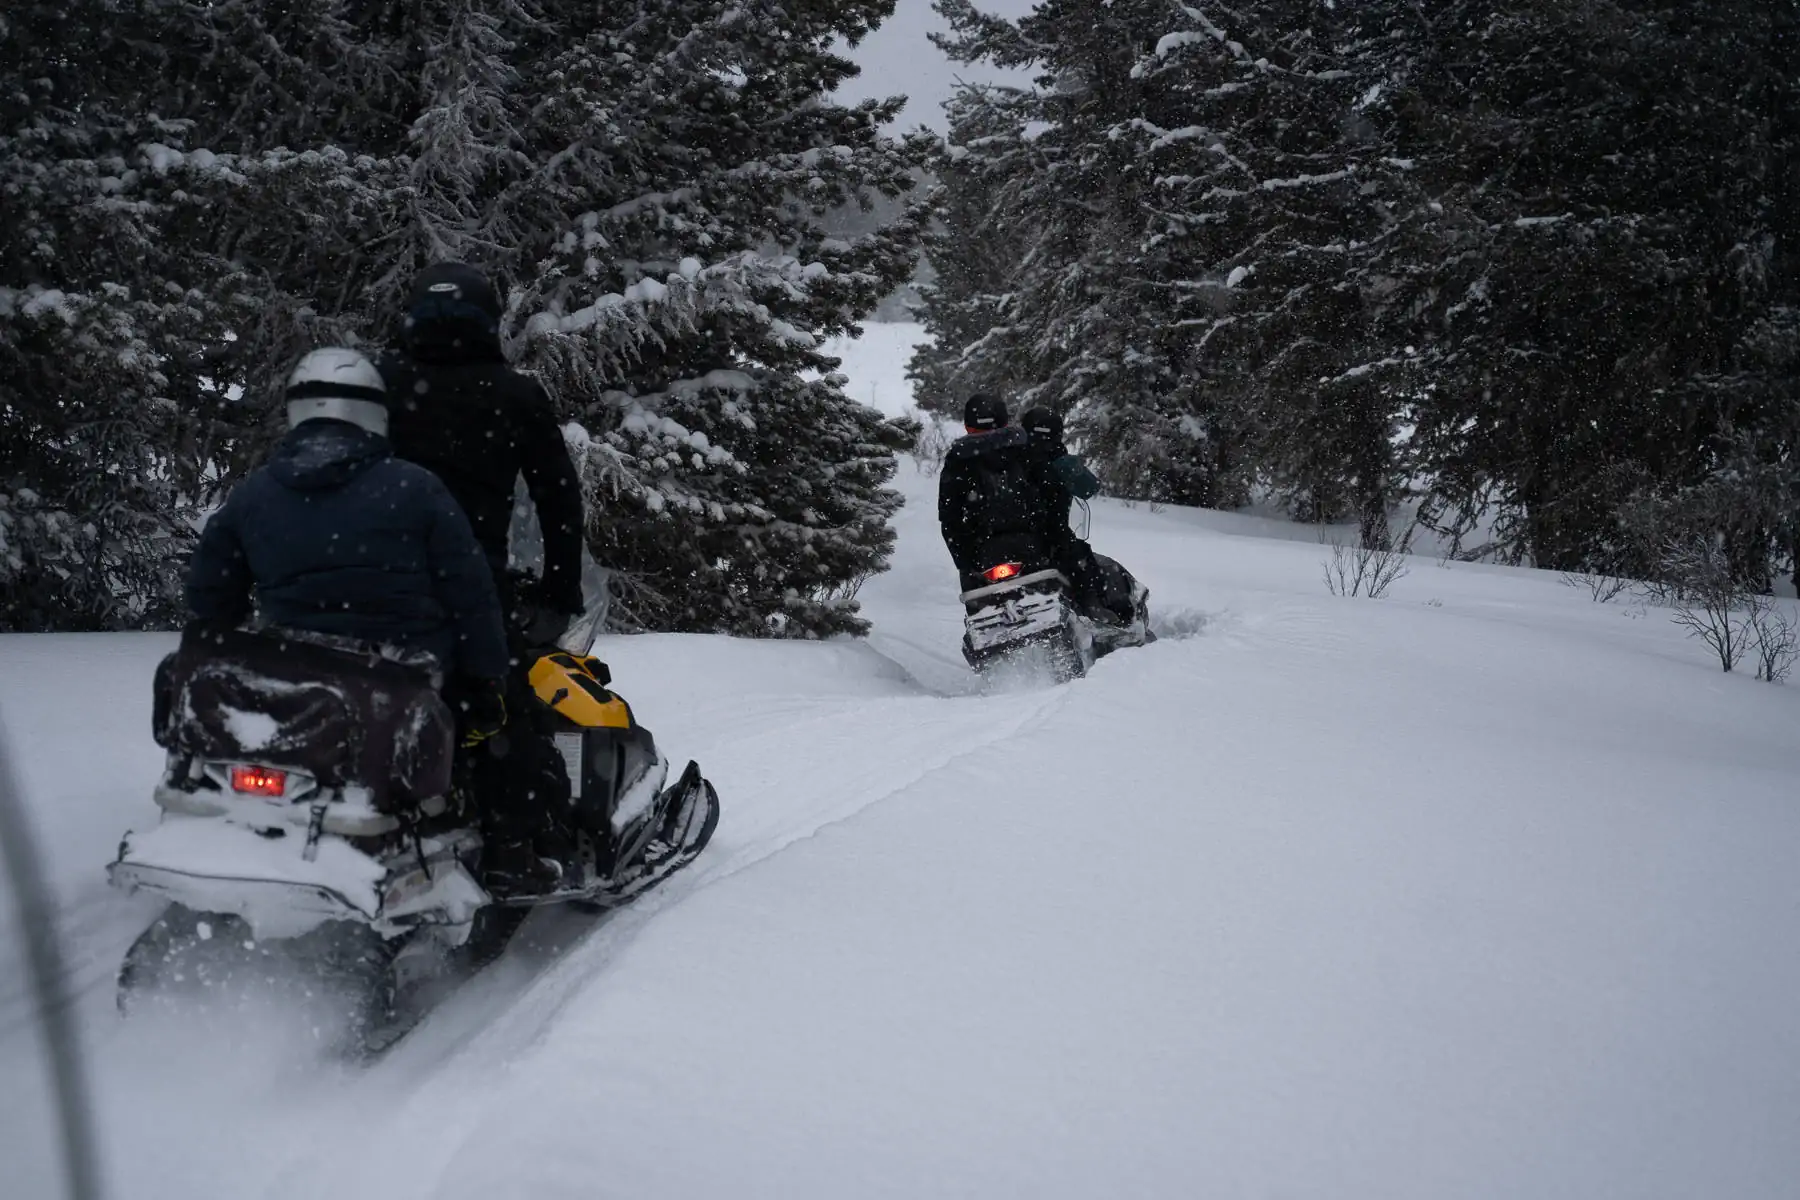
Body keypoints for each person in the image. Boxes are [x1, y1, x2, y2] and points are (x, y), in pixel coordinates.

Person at [185, 346, 512, 772]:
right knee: (499, 769)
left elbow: (210, 597)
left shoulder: (254, 495)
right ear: (374, 410)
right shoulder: (417, 489)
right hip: (402, 682)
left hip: (292, 681)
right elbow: (471, 596)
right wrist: (486, 677)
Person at [375, 262, 589, 895]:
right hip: (468, 589)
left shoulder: (381, 385)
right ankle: (511, 848)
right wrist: (558, 592)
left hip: (371, 582)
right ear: (488, 320)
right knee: (501, 711)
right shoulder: (511, 393)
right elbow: (558, 500)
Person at [1016, 406, 1137, 624]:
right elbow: (1089, 488)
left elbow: (1089, 487)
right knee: (1083, 562)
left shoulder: (1009, 459)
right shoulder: (1060, 462)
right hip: (1051, 536)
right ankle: (1092, 609)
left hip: (1007, 535)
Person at [937, 393, 1045, 591]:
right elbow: (1045, 496)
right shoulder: (1025, 451)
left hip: (981, 553)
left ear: (968, 424)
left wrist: (966, 564)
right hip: (1030, 545)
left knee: (981, 609)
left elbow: (949, 517)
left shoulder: (959, 461)